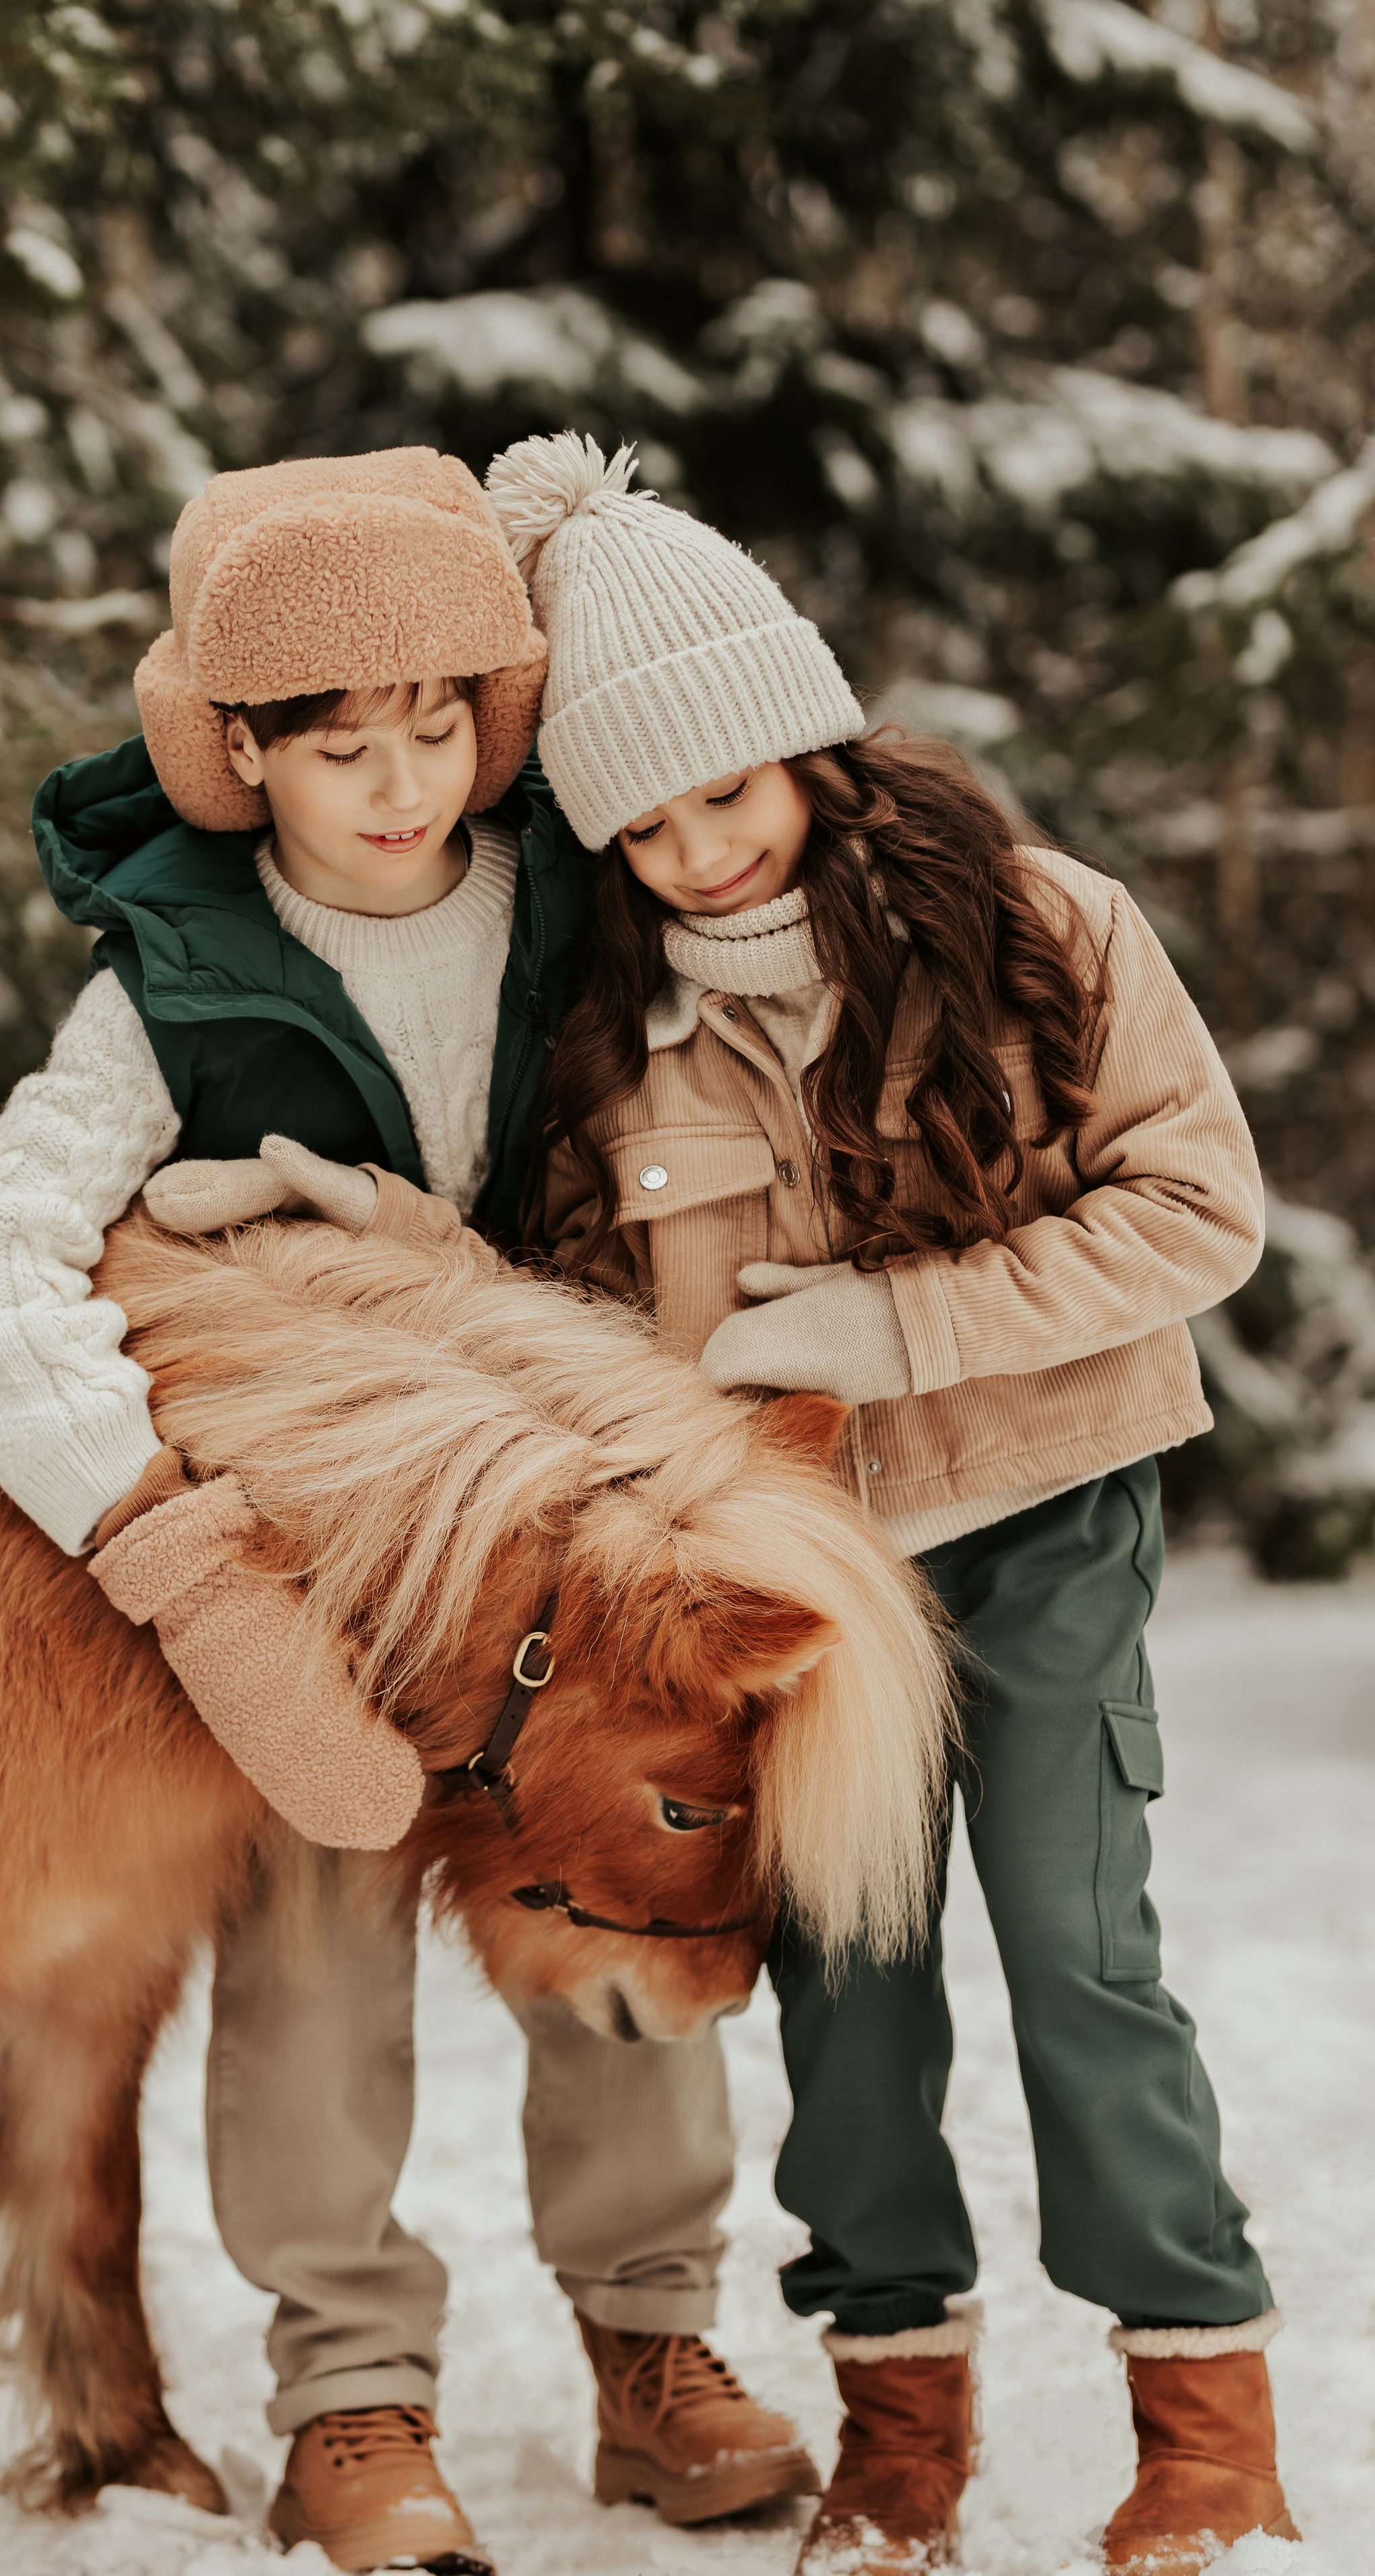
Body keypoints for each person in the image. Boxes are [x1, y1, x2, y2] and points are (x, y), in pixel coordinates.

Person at [0, 447, 815, 2575]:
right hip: (321, 1579)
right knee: (312, 1960)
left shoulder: (585, 908)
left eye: (430, 731)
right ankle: (351, 2394)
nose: (394, 786)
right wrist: (183, 1570)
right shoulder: (170, 983)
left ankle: (653, 2348)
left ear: (488, 725)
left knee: (624, 1909)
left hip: (586, 1551)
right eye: (336, 746)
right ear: (242, 753)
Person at [486, 429, 1296, 2576]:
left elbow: (1203, 1213)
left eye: (725, 793)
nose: (697, 855)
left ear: (812, 747)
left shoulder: (1050, 930)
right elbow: (574, 1321)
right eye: (640, 827)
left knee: (1078, 1948)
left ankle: (1204, 2415)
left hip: (1046, 1507)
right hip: (798, 1572)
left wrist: (896, 1329)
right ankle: (902, 2432)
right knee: (849, 1977)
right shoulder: (612, 1039)